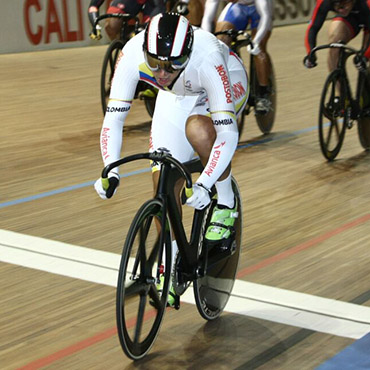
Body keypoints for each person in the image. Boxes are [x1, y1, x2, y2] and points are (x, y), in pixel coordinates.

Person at [94, 13, 248, 305]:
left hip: (223, 81)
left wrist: (205, 184)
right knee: (163, 182)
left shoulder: (208, 57)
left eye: (172, 64)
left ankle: (227, 203)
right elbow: (113, 120)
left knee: (200, 131)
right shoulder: (131, 54)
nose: (162, 73)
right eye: (155, 64)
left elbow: (227, 135)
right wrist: (109, 168)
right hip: (175, 96)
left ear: (187, 53)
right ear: (146, 54)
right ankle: (172, 261)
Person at [215, 0, 274, 114]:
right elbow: (208, 18)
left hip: (260, 9)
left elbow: (265, 16)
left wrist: (256, 42)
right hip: (238, 8)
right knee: (220, 41)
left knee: (259, 47)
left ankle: (263, 94)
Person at [303, 0, 370, 72]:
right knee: (334, 43)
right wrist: (310, 53)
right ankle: (337, 81)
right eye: (336, 3)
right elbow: (313, 28)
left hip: (367, 12)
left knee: (364, 54)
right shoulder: (324, 1)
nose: (341, 8)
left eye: (345, 2)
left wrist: (366, 55)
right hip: (350, 18)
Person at [88, 0, 166, 41]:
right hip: (129, 3)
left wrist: (146, 26)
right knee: (111, 26)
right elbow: (93, 6)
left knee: (146, 32)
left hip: (152, 5)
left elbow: (160, 6)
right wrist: (95, 25)